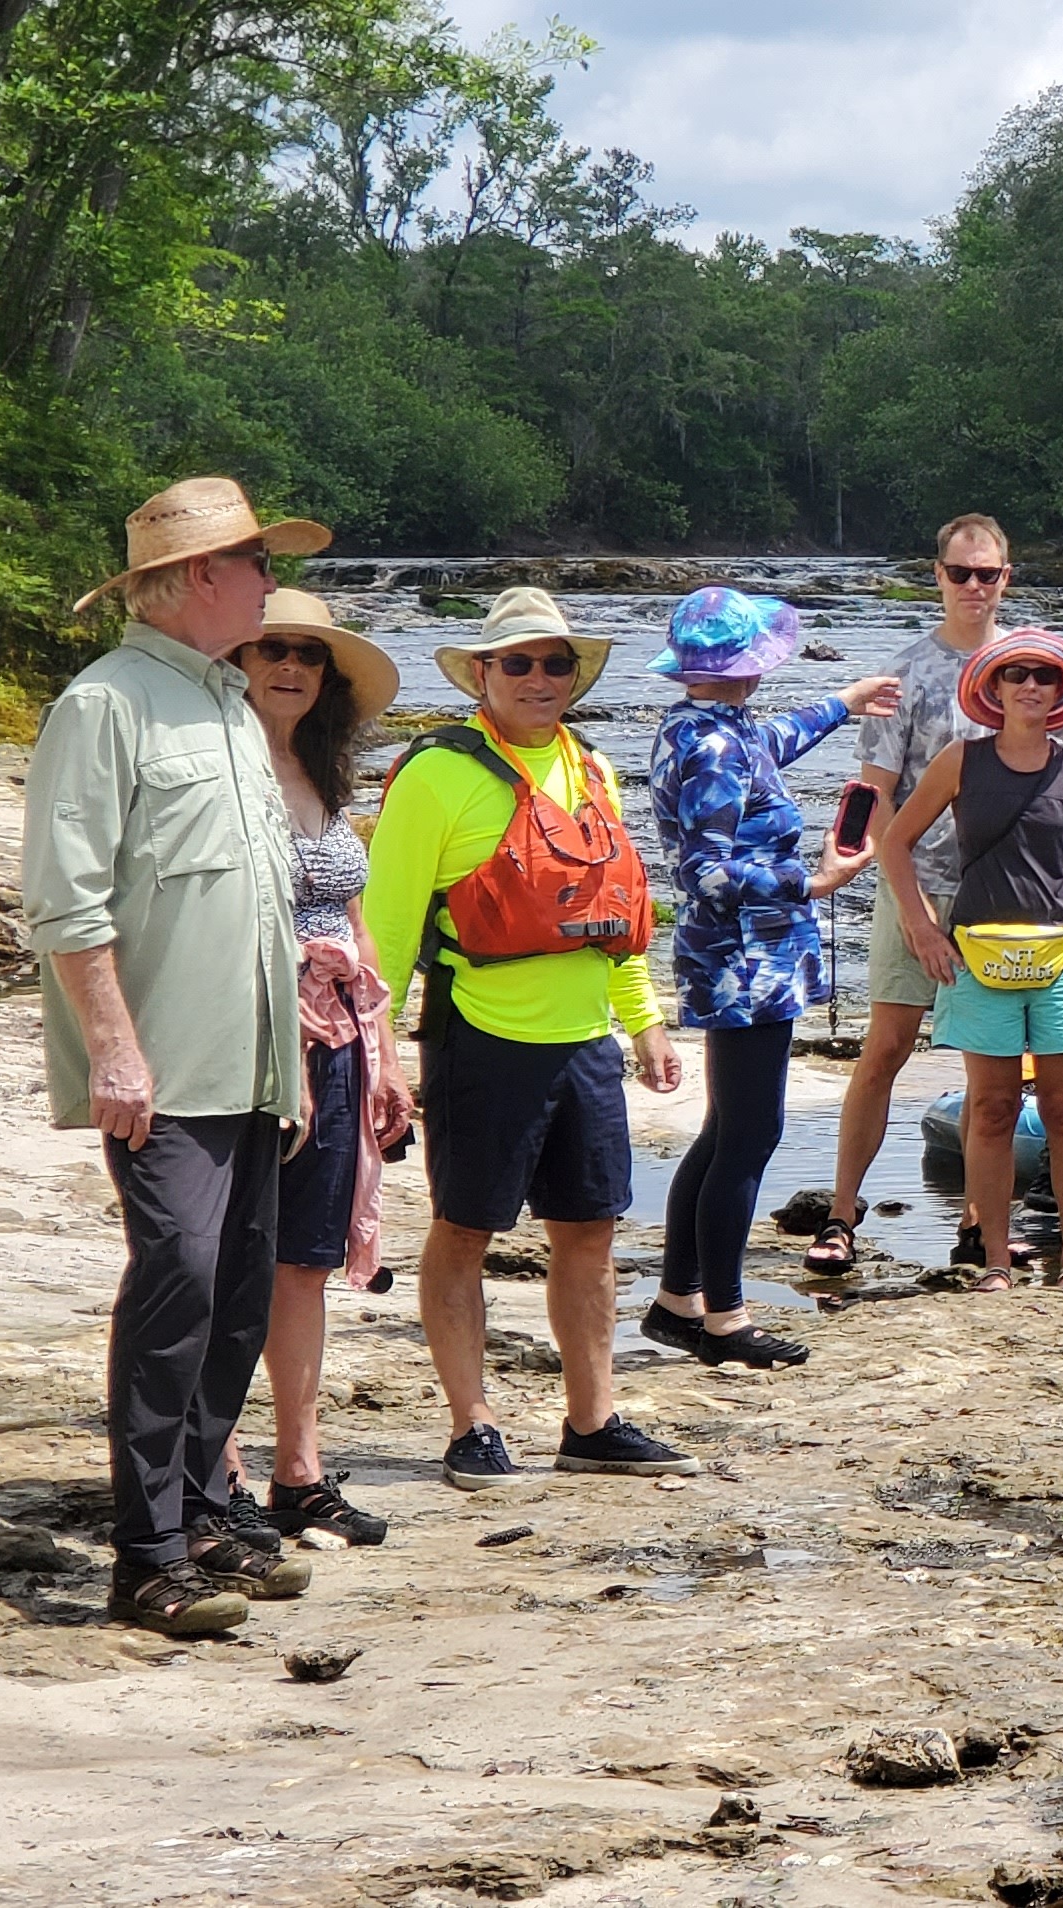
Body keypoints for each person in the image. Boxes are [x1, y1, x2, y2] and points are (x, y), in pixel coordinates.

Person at [23, 475, 327, 1635]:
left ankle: (205, 1513)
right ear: (201, 575)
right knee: (179, 1285)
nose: (270, 583)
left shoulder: (228, 707)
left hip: (251, 1067)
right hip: (165, 1071)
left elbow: (256, 901)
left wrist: (288, 1047)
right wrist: (113, 1052)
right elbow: (66, 898)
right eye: (255, 564)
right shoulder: (104, 708)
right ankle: (145, 1553)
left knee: (238, 1294)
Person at [362, 587, 693, 1489]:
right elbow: (386, 928)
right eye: (519, 663)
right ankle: (472, 1426)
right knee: (464, 1227)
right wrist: (376, 1051)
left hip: (586, 1042)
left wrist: (645, 1020)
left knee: (590, 1230)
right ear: (482, 673)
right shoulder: (432, 775)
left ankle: (592, 1421)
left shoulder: (592, 766)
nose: (539, 679)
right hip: (482, 1034)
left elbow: (614, 913)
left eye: (556, 664)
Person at [816, 515, 1063, 1271]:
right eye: (962, 573)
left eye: (989, 574)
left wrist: (1058, 804)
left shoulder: (1035, 664)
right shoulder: (909, 673)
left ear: (1007, 579)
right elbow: (876, 792)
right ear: (939, 576)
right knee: (886, 1047)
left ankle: (979, 1225)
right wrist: (886, 889)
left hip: (1020, 902)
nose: (976, 586)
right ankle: (841, 1214)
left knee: (995, 1071)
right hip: (921, 888)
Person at [643, 587, 903, 1368]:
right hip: (743, 960)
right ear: (749, 668)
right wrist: (813, 885)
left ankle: (676, 1300)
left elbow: (776, 742)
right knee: (751, 1136)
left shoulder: (703, 726)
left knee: (727, 1130)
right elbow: (705, 869)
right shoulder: (718, 745)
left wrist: (845, 700)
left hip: (740, 958)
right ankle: (723, 1318)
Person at [874, 629, 1063, 1289]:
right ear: (993, 689)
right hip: (980, 960)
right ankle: (995, 1259)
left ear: (1061, 693)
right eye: (1017, 674)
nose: (1030, 685)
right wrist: (921, 926)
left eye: (1044, 676)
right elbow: (896, 842)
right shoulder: (960, 761)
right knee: (993, 1106)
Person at [235, 588, 413, 1547]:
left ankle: (297, 1473)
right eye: (271, 648)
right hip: (247, 1038)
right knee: (227, 1259)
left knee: (304, 1261)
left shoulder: (321, 771)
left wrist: (386, 1053)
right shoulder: (217, 767)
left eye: (309, 653)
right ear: (237, 659)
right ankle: (215, 1465)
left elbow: (354, 919)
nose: (291, 666)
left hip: (340, 1039)